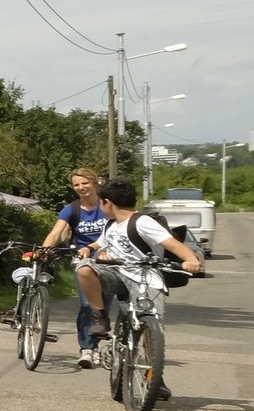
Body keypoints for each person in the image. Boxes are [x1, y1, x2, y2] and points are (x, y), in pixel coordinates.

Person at [73, 178, 205, 398]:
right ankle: (98, 315)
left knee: (149, 328)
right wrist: (88, 248)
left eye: (101, 204)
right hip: (117, 273)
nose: (100, 208)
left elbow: (173, 244)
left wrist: (192, 261)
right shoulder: (111, 224)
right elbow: (102, 242)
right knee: (85, 270)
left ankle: (155, 378)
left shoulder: (142, 222)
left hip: (146, 278)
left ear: (107, 202)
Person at [28, 167, 110, 367]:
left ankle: (97, 346)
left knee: (103, 307)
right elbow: (56, 232)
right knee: (86, 305)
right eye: (76, 185)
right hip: (82, 261)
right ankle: (87, 349)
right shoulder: (71, 209)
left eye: (85, 183)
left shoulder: (108, 205)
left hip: (108, 259)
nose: (81, 188)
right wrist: (43, 250)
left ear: (95, 183)